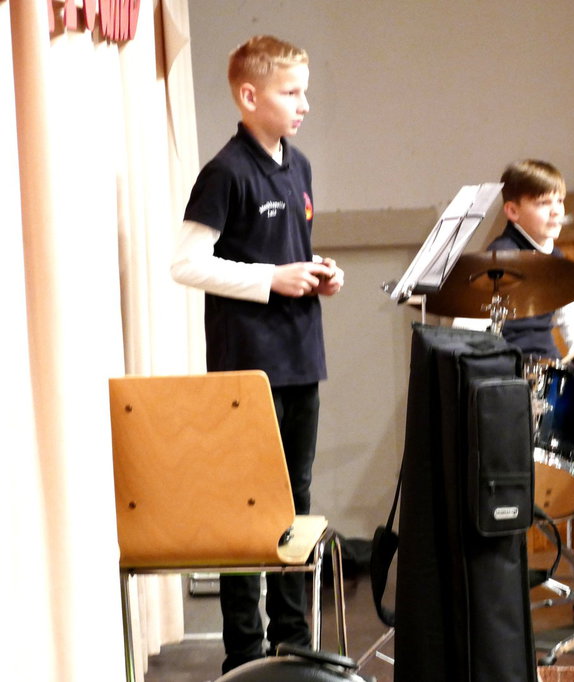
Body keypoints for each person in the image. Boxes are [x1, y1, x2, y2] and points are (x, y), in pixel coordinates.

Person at [170, 35, 342, 674]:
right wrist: (270, 278)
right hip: (247, 364)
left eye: (304, 92)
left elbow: (286, 250)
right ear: (249, 96)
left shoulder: (299, 166)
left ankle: (291, 635)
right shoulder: (226, 171)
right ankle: (243, 648)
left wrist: (318, 273)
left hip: (300, 355)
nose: (304, 104)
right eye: (290, 92)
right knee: (244, 502)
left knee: (295, 499)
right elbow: (186, 264)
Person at [456, 159, 574, 365]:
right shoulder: (500, 258)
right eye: (543, 203)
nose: (556, 211)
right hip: (509, 369)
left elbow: (570, 317)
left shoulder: (555, 258)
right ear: (513, 211)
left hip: (547, 364)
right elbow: (466, 330)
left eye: (559, 201)